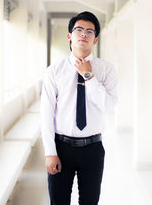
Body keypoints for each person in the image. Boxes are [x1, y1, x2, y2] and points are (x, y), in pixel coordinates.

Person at [41, 11, 118, 205]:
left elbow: (108, 105)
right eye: (79, 30)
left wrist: (88, 76)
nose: (84, 34)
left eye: (90, 31)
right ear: (70, 36)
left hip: (93, 148)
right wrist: (50, 152)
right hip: (61, 147)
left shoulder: (106, 70)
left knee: (89, 202)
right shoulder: (54, 71)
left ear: (95, 39)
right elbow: (47, 114)